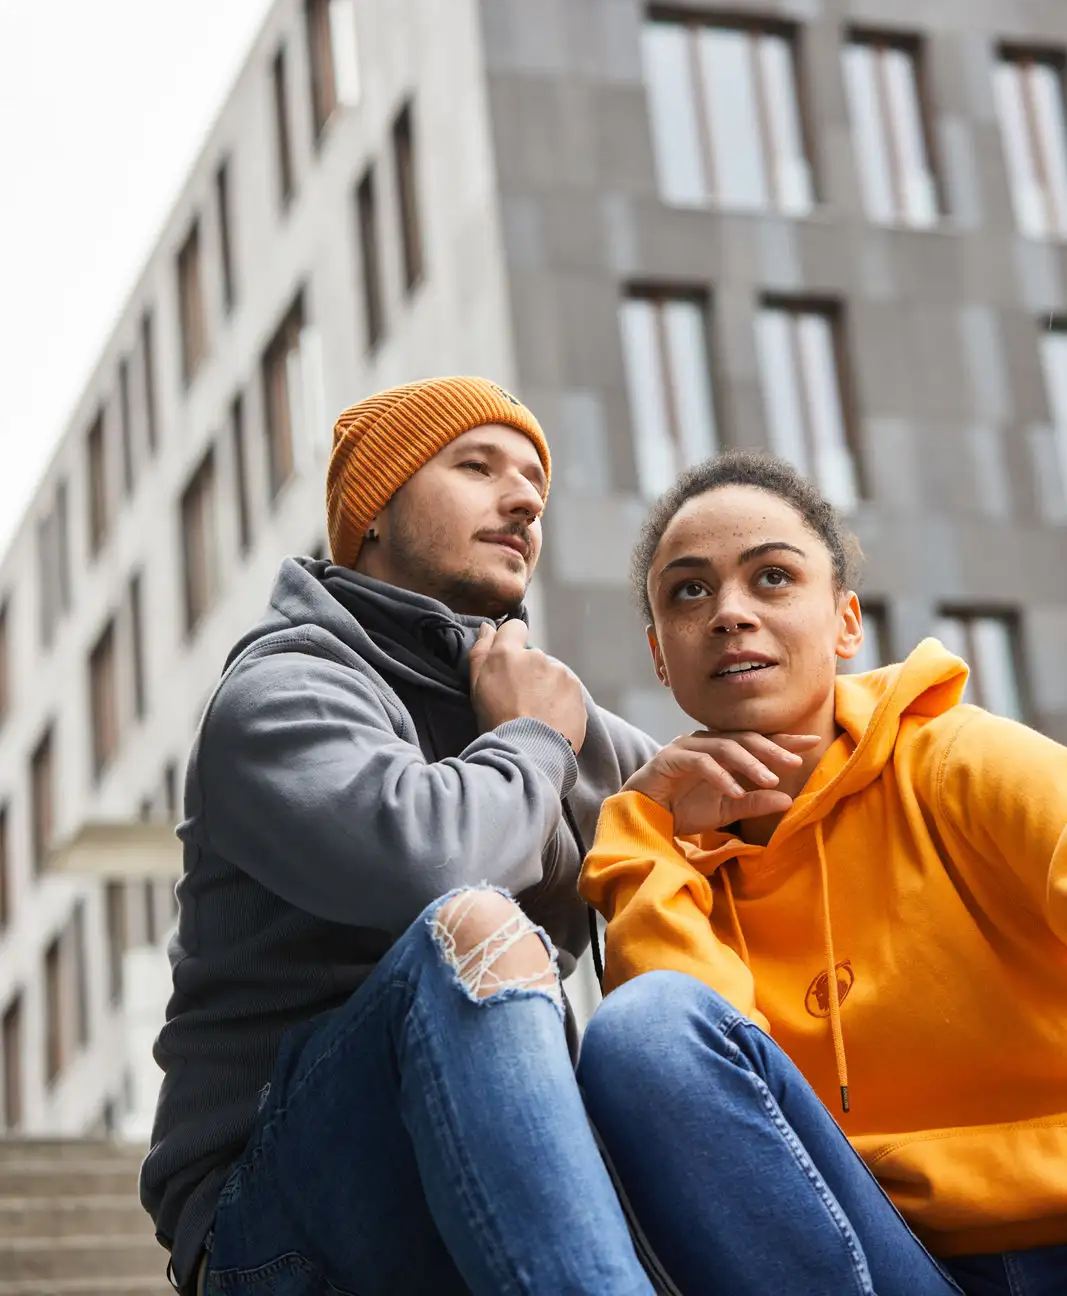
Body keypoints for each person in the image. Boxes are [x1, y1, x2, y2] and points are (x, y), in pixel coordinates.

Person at [141, 376, 671, 1296]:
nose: (520, 502)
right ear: (372, 512)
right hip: (273, 1224)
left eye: (534, 491)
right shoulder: (284, 691)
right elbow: (435, 866)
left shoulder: (518, 692)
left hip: (473, 1181)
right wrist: (534, 741)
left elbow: (711, 802)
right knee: (473, 927)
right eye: (477, 467)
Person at [578, 448, 1067, 1296]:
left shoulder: (955, 762)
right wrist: (644, 831)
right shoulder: (674, 867)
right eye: (689, 591)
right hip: (875, 1264)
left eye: (771, 578)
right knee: (644, 1029)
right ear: (661, 656)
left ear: (845, 622)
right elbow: (701, 1128)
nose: (729, 613)